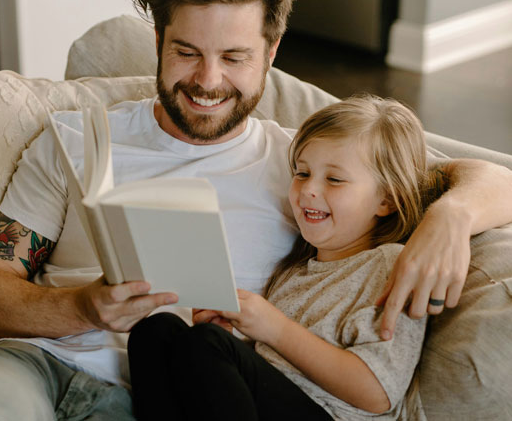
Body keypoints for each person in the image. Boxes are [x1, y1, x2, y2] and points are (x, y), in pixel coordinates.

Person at [0, 0, 512, 421]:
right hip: (31, 368)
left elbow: (489, 177)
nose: (206, 81)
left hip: (169, 397)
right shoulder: (74, 137)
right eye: (186, 52)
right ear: (158, 41)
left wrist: (452, 215)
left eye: (233, 57)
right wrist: (82, 308)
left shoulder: (304, 166)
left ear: (270, 54)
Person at [128, 95, 436, 420]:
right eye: (302, 173)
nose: (308, 190)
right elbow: (274, 371)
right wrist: (233, 344)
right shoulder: (296, 270)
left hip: (331, 414)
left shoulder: (393, 266)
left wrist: (271, 328)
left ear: (386, 199)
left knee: (206, 343)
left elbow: (377, 394)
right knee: (157, 331)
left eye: (334, 179)